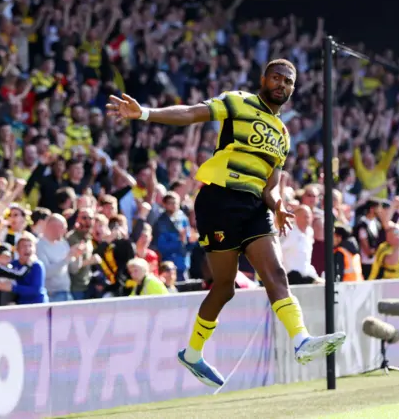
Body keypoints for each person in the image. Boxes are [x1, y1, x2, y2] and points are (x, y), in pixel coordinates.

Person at [107, 58, 345, 388]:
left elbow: (271, 182)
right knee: (224, 286)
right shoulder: (239, 101)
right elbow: (191, 113)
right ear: (264, 79)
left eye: (288, 82)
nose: (282, 85)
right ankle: (192, 353)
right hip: (219, 199)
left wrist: (276, 204)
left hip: (254, 206)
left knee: (275, 273)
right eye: (277, 78)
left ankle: (301, 341)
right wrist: (145, 113)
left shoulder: (283, 134)